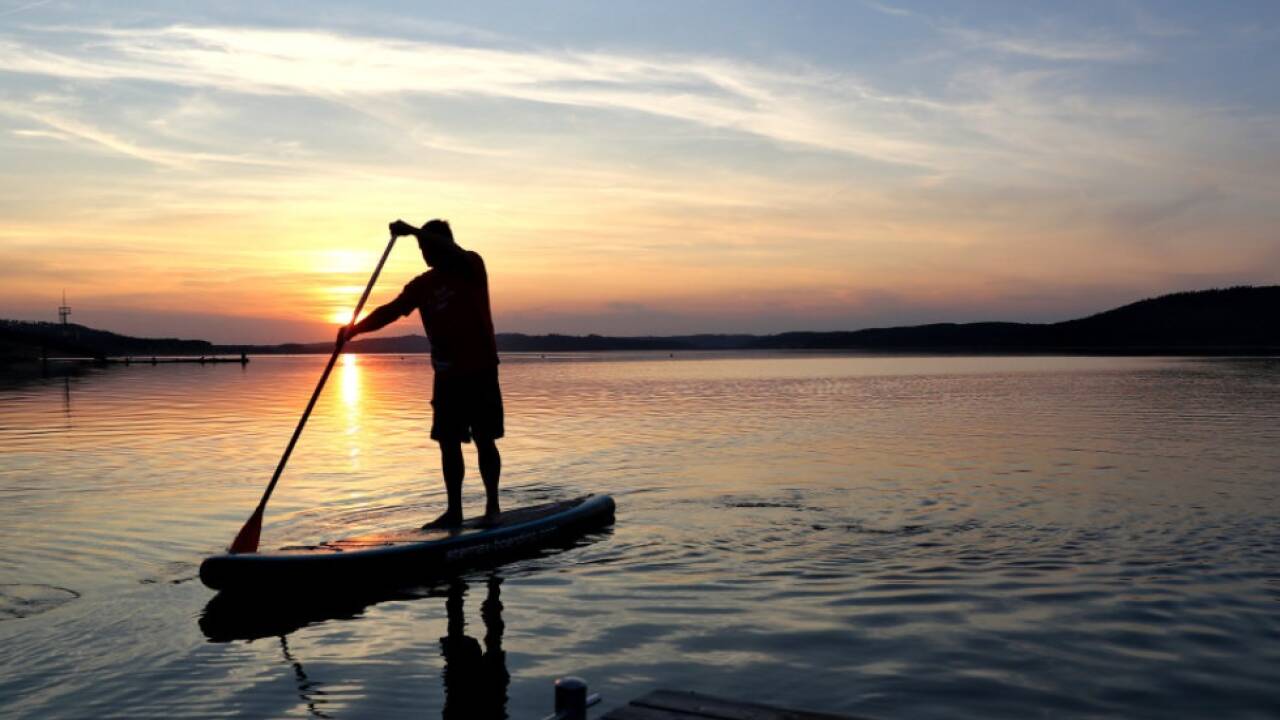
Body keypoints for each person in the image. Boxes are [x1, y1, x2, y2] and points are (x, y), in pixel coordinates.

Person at [339, 219, 503, 529]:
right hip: (447, 376)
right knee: (448, 443)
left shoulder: (471, 266)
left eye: (427, 246)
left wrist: (414, 231)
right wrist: (354, 330)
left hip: (480, 370)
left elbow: (450, 249)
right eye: (420, 248)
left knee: (484, 439)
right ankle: (454, 511)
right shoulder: (422, 285)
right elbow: (390, 310)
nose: (423, 252)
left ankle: (492, 505)